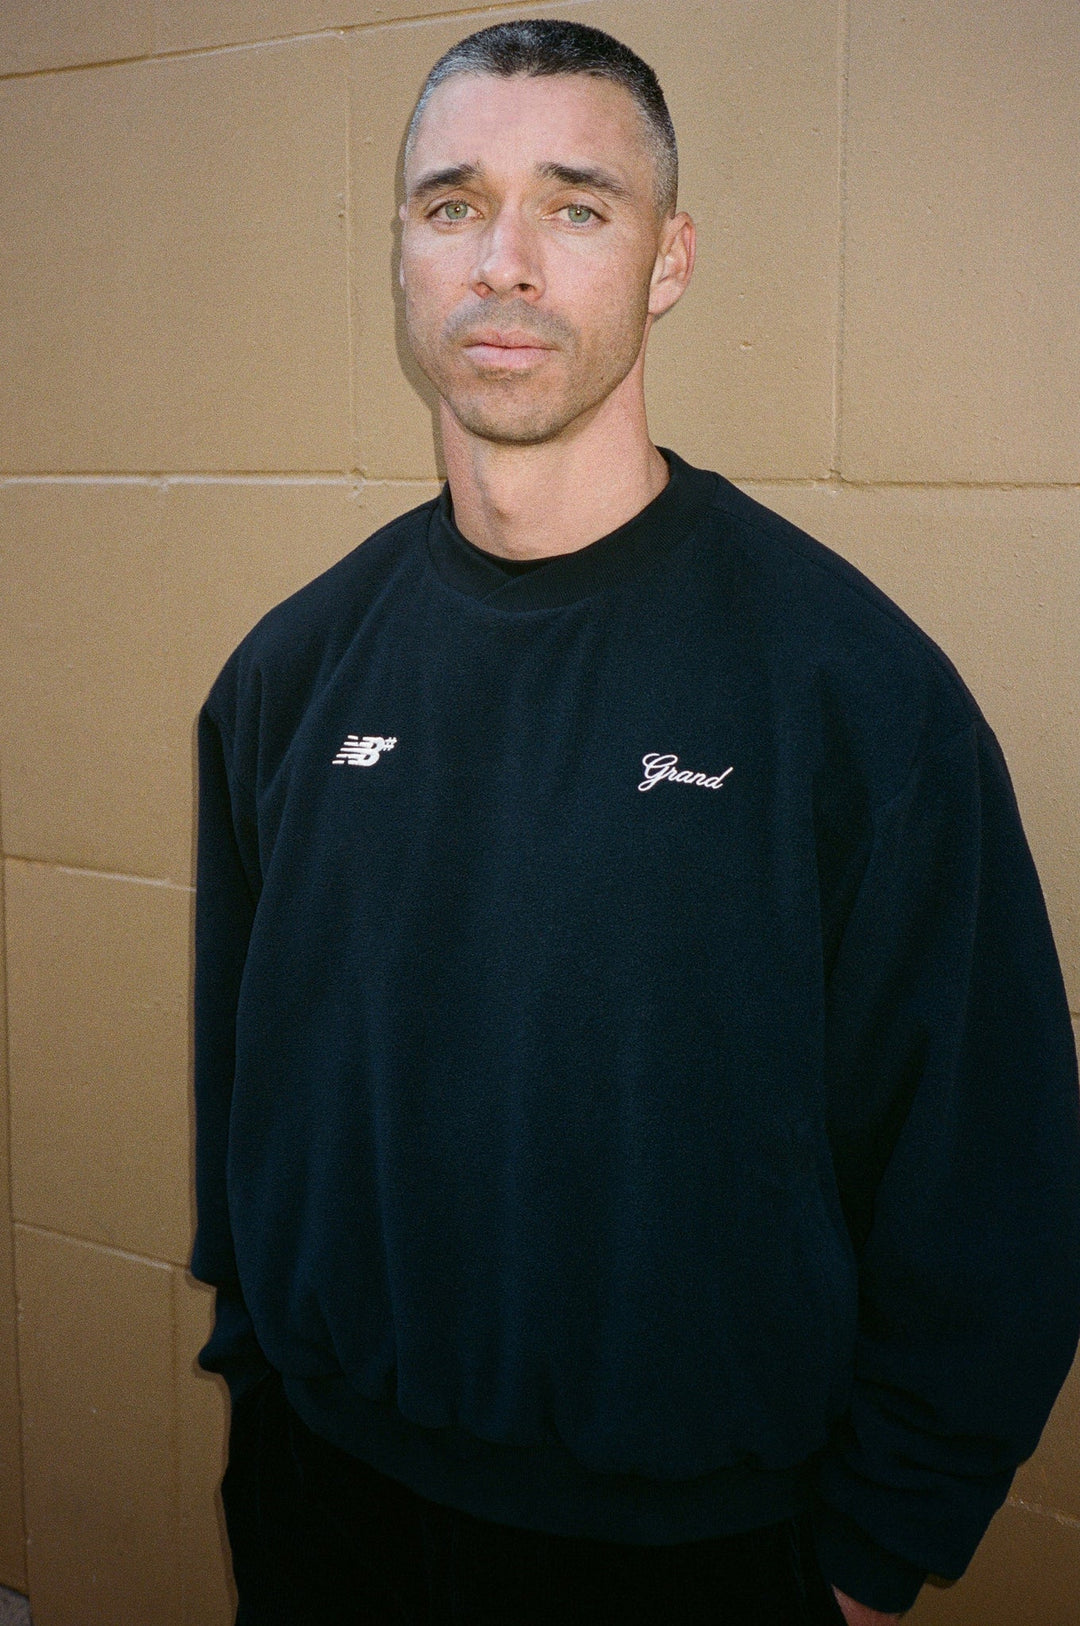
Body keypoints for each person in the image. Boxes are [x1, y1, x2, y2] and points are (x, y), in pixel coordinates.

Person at [191, 20, 1080, 1626]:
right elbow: (247, 1094)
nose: (506, 262)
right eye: (452, 203)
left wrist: (873, 1560)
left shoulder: (855, 699)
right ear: (399, 250)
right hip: (326, 1508)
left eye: (577, 206)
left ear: (668, 260)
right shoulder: (289, 676)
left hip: (697, 1557)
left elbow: (989, 1178)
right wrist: (260, 1378)